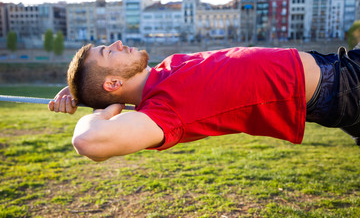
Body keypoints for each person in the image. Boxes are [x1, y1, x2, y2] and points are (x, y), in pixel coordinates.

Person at [48, 40, 360, 162]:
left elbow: (103, 88)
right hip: (344, 88)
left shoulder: (160, 74)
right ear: (114, 83)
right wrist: (101, 109)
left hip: (336, 67)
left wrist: (80, 94)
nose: (116, 43)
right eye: (108, 52)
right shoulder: (162, 109)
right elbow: (89, 141)